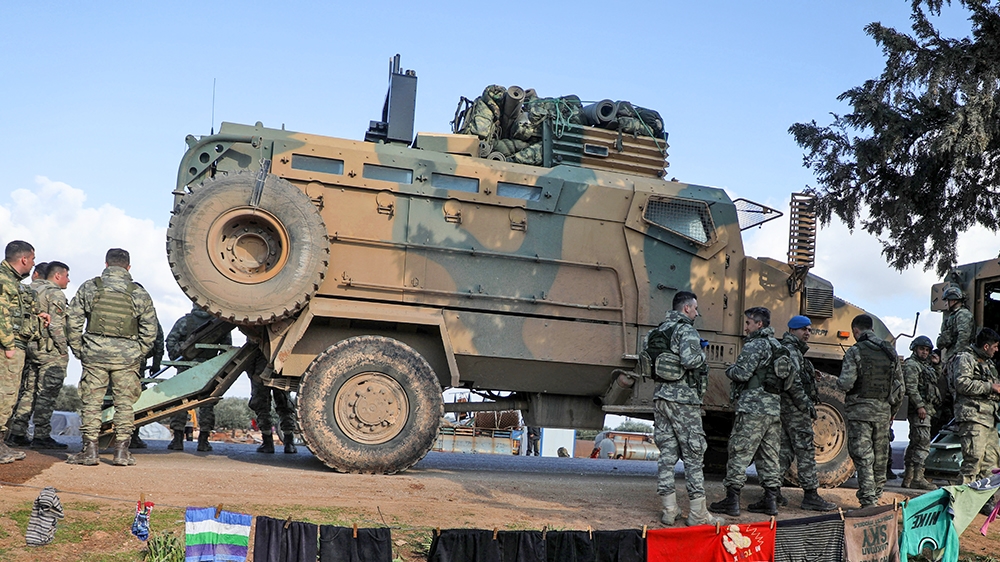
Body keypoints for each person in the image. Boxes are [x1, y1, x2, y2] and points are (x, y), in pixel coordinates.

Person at [66, 249, 158, 467]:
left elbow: (73, 321)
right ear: (128, 267)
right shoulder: (138, 292)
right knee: (124, 404)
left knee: (91, 403)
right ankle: (121, 453)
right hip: (127, 357)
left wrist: (80, 349)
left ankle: (89, 452)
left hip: (95, 353)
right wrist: (138, 352)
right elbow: (150, 329)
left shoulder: (90, 287)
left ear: (106, 264)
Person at [648, 291, 723, 526]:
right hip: (683, 400)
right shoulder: (686, 330)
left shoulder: (656, 331)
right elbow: (690, 361)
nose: (697, 313)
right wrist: (701, 352)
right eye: (696, 308)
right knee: (694, 455)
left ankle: (669, 510)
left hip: (661, 398)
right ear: (687, 309)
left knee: (667, 455)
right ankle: (698, 514)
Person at [710, 307, 790, 518]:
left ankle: (732, 501)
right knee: (769, 455)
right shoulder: (778, 346)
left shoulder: (755, 345)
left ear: (759, 324)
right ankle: (771, 502)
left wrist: (729, 369)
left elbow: (742, 373)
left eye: (748, 323)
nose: (745, 327)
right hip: (773, 408)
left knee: (739, 451)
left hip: (753, 407)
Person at [838, 314, 904, 508]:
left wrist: (836, 381)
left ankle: (869, 501)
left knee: (863, 456)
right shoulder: (889, 352)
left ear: (856, 331)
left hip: (860, 412)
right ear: (872, 329)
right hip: (883, 412)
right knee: (880, 455)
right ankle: (876, 494)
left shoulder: (855, 351)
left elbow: (846, 383)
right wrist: (892, 411)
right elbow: (900, 387)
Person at [6, 261, 71, 450]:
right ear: (57, 275)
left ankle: (17, 432)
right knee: (47, 393)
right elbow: (56, 325)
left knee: (29, 390)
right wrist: (63, 349)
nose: (68, 280)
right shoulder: (55, 293)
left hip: (28, 346)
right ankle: (41, 434)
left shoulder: (29, 288)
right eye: (66, 275)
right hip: (49, 350)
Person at [777, 316, 837, 511]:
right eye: (803, 329)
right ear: (792, 330)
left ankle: (772, 491)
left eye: (809, 330)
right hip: (795, 408)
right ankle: (811, 495)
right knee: (805, 451)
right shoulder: (792, 351)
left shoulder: (793, 351)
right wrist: (805, 404)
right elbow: (792, 383)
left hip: (787, 408)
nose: (807, 333)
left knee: (785, 450)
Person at [0, 241, 49, 464]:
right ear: (24, 259)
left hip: (16, 345)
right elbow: (1, 315)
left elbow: (17, 310)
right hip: (7, 348)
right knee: (5, 396)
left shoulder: (14, 283)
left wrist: (38, 316)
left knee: (9, 397)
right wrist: (9, 345)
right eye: (33, 259)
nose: (34, 263)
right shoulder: (3, 280)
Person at [165, 305, 232, 452]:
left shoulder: (184, 322)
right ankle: (203, 441)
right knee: (206, 404)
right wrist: (218, 365)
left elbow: (170, 340)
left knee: (180, 403)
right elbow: (227, 348)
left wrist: (177, 357)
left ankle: (177, 440)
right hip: (209, 369)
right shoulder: (217, 324)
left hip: (185, 368)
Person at [950, 327, 1000, 484]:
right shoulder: (965, 358)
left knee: (991, 464)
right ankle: (962, 503)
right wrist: (989, 387)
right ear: (986, 346)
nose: (997, 350)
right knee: (973, 461)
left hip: (989, 418)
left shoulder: (987, 363)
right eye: (995, 346)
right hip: (973, 417)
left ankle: (984, 501)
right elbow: (961, 383)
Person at [901, 335, 940, 490]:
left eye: (927, 350)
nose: (924, 352)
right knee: (923, 443)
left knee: (916, 442)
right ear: (915, 349)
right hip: (919, 410)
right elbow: (911, 387)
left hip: (925, 409)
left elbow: (935, 380)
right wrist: (920, 406)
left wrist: (937, 365)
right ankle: (917, 478)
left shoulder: (925, 365)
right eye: (922, 349)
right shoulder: (912, 365)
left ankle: (909, 478)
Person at [245, 344, 297, 454]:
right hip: (280, 362)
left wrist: (251, 372)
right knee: (284, 403)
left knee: (261, 405)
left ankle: (268, 442)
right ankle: (289, 443)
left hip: (260, 365)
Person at [937, 286, 974, 362]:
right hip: (952, 354)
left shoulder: (963, 314)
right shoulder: (954, 315)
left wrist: (956, 356)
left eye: (947, 301)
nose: (946, 304)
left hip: (960, 357)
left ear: (953, 301)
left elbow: (964, 337)